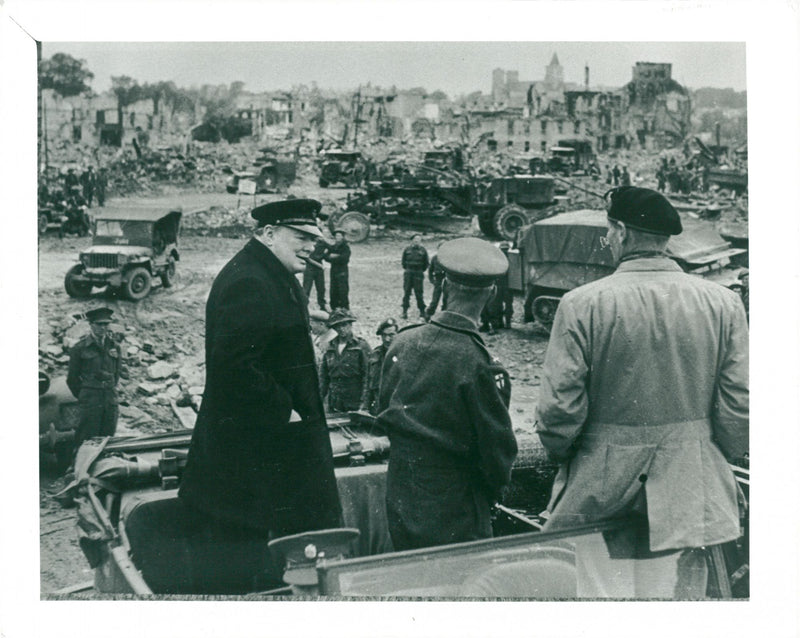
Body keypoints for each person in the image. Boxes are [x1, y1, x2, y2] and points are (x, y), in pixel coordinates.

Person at [535, 186, 749, 599]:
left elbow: (559, 408)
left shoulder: (581, 303)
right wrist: (708, 452)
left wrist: (571, 456)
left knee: (602, 598)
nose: (608, 239)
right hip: (692, 481)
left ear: (620, 232)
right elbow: (739, 402)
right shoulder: (723, 303)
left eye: (609, 231)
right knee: (679, 600)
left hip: (600, 483)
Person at [179, 198, 342, 550]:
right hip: (250, 456)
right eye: (301, 237)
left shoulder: (268, 272)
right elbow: (234, 368)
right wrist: (287, 410)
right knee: (243, 554)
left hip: (265, 449)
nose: (311, 246)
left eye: (313, 238)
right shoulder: (250, 282)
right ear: (269, 233)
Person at [378, 237, 518, 551]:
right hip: (455, 506)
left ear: (442, 285)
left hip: (401, 493)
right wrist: (493, 494)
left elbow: (382, 407)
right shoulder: (481, 365)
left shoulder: (402, 342)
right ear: (491, 293)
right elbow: (497, 453)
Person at [67, 307, 126, 451]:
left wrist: (110, 388)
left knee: (108, 439)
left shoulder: (114, 347)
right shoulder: (79, 348)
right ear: (91, 325)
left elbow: (116, 373)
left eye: (106, 324)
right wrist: (85, 394)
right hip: (91, 400)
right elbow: (72, 379)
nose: (103, 328)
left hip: (110, 399)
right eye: (99, 324)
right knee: (87, 439)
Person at [319, 309, 371, 413]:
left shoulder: (361, 346)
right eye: (337, 326)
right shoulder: (329, 347)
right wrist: (319, 401)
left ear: (350, 325)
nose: (341, 329)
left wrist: (364, 405)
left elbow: (368, 376)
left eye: (344, 325)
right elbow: (324, 378)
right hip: (334, 401)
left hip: (354, 401)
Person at [361, 317, 398, 415]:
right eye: (384, 335)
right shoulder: (375, 354)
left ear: (398, 335)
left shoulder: (404, 355)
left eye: (391, 335)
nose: (387, 339)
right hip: (377, 409)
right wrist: (365, 408)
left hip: (395, 410)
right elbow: (368, 383)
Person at [401, 233, 429, 320]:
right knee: (407, 292)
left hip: (418, 273)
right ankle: (404, 311)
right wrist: (409, 269)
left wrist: (419, 270)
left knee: (419, 293)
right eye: (415, 239)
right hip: (409, 272)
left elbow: (426, 263)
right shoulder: (407, 250)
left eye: (419, 240)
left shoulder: (423, 251)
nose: (417, 241)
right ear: (412, 240)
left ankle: (422, 312)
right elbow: (403, 262)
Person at [302, 234, 331, 312]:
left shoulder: (323, 243)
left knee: (321, 288)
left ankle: (322, 305)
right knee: (306, 288)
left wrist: (324, 255)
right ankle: (303, 306)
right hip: (309, 267)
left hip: (319, 268)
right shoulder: (309, 242)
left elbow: (331, 248)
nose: (318, 238)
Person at [326, 230, 351, 310]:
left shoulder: (345, 247)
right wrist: (335, 257)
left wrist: (333, 257)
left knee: (343, 291)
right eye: (336, 236)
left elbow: (344, 259)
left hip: (342, 272)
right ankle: (334, 309)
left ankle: (345, 309)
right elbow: (326, 257)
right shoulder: (333, 247)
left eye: (339, 236)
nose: (338, 238)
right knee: (333, 291)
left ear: (342, 237)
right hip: (333, 272)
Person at [424, 243, 447, 319]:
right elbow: (430, 270)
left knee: (446, 298)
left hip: (447, 280)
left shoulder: (449, 258)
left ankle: (444, 314)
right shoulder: (435, 258)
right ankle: (429, 313)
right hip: (438, 279)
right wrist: (432, 280)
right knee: (435, 298)